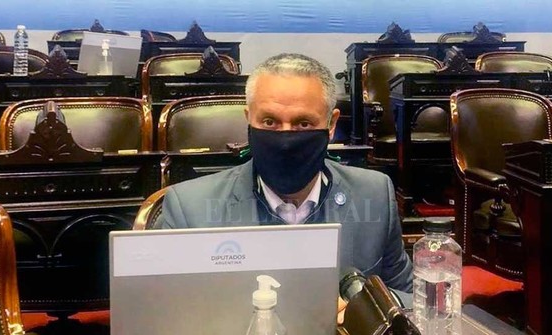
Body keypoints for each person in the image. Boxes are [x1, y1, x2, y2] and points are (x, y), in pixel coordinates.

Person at [161, 53, 413, 310]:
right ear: (249, 118)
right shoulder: (189, 210)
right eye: (269, 122)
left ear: (331, 124)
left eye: (303, 123)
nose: (285, 140)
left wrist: (369, 306)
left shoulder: (374, 194)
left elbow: (411, 297)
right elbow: (164, 312)